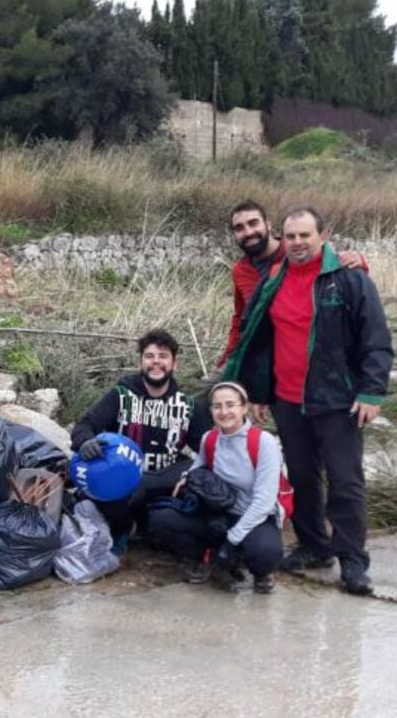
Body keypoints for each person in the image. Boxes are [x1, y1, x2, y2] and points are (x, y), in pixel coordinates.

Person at [226, 206, 392, 595]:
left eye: (305, 235)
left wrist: (371, 391)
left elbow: (376, 339)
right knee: (301, 478)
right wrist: (260, 392)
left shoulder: (348, 279)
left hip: (338, 401)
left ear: (324, 234)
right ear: (281, 239)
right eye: (291, 236)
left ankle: (352, 559)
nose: (297, 243)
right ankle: (315, 546)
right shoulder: (274, 280)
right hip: (288, 400)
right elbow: (259, 340)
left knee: (345, 482)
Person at [70, 330, 209, 550]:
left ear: (174, 364)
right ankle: (123, 529)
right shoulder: (120, 396)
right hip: (122, 479)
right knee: (105, 486)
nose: (156, 362)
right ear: (141, 362)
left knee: (201, 480)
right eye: (149, 356)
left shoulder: (189, 406)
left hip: (165, 480)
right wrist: (86, 442)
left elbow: (208, 446)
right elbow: (85, 426)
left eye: (163, 356)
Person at [148, 381, 284, 593]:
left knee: (265, 553)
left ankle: (255, 568)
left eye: (230, 405)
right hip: (218, 513)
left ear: (244, 407)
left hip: (254, 516)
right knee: (161, 519)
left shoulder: (263, 442)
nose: (224, 412)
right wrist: (186, 477)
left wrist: (232, 540)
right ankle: (205, 558)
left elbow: (264, 501)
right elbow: (199, 464)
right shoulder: (209, 439)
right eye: (217, 406)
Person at [217, 200, 365, 366]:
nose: (248, 232)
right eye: (239, 228)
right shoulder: (240, 270)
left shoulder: (299, 251)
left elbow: (339, 270)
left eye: (253, 223)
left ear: (268, 224)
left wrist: (358, 262)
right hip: (260, 352)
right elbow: (240, 317)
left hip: (313, 353)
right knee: (216, 388)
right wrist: (229, 357)